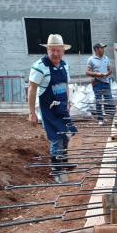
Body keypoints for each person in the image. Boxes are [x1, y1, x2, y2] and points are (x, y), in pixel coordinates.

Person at [28, 34, 77, 184]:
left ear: (63, 51)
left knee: (67, 135)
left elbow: (66, 85)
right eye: (52, 50)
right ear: (47, 50)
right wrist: (31, 113)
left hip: (62, 107)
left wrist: (68, 102)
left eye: (58, 50)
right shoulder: (40, 66)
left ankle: (64, 161)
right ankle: (57, 170)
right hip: (48, 110)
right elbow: (32, 89)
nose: (55, 54)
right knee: (56, 139)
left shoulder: (64, 65)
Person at [86, 43, 115, 124]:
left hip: (106, 83)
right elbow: (87, 72)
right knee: (99, 101)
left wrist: (107, 73)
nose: (103, 49)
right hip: (97, 83)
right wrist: (98, 74)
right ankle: (100, 119)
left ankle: (112, 118)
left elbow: (109, 69)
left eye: (103, 48)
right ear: (97, 49)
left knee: (109, 100)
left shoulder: (106, 58)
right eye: (101, 48)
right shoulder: (91, 59)